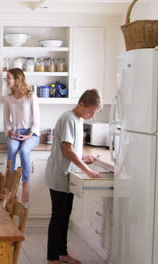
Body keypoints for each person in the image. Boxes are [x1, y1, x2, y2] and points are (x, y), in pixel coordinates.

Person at [45, 89, 102, 264]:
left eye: (94, 113)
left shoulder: (78, 119)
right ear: (81, 104)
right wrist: (87, 170)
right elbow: (67, 151)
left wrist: (84, 157)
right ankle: (54, 257)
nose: (92, 116)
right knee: (59, 217)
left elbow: (72, 150)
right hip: (59, 175)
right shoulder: (68, 118)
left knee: (64, 216)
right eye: (91, 111)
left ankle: (61, 253)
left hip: (66, 174)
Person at [3, 68, 40, 203]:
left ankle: (25, 184)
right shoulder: (8, 99)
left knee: (24, 150)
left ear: (17, 79)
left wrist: (30, 134)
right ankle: (9, 185)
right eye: (6, 77)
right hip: (15, 133)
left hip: (31, 134)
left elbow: (37, 119)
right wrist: (9, 131)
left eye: (9, 78)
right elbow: (6, 121)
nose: (6, 80)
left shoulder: (30, 96)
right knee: (12, 149)